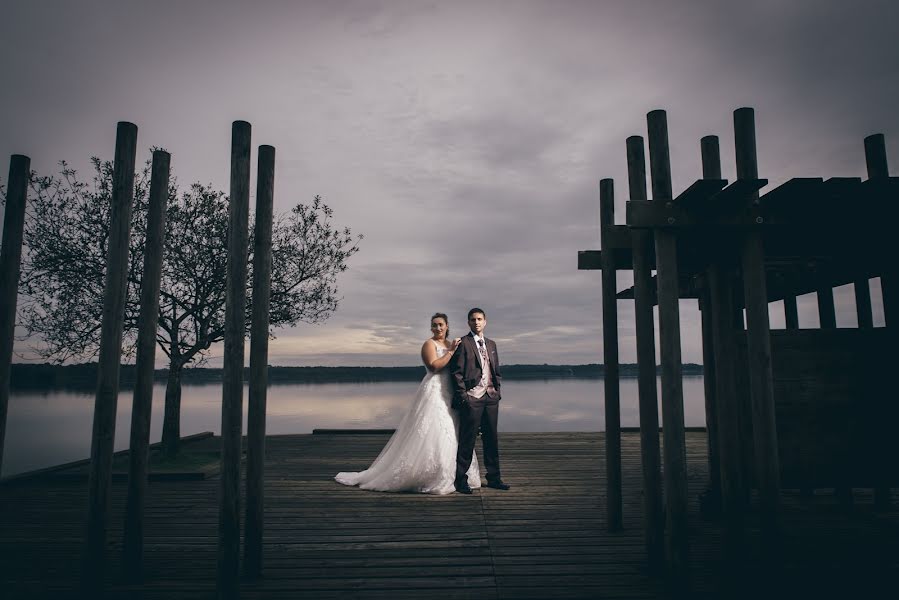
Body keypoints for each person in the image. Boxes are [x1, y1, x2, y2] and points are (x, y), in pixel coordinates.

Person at [335, 313, 481, 494]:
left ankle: (456, 474)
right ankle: (430, 474)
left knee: (453, 429)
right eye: (434, 325)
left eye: (441, 325)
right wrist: (451, 352)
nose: (438, 328)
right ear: (431, 327)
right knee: (434, 429)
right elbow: (434, 366)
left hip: (450, 390)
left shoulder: (450, 343)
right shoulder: (429, 344)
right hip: (435, 390)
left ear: (447, 326)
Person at [449, 308, 510, 494]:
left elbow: (496, 371)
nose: (476, 322)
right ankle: (461, 480)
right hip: (472, 399)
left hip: (491, 398)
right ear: (468, 322)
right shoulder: (463, 343)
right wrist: (464, 396)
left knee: (491, 439)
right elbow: (456, 373)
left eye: (479, 319)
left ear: (485, 321)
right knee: (467, 440)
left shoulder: (491, 344)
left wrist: (497, 391)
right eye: (473, 319)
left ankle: (494, 478)